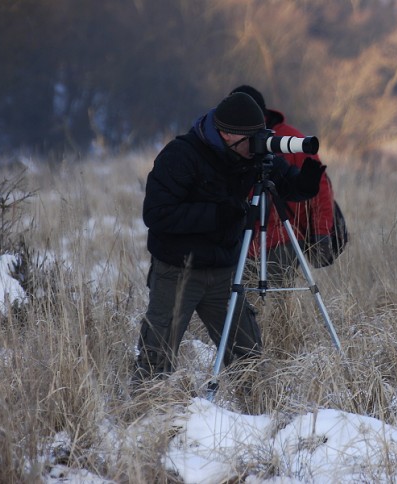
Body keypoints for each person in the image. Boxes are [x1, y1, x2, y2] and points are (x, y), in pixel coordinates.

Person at [134, 92, 326, 383]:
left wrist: (307, 182)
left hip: (225, 272)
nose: (256, 145)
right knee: (156, 356)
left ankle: (257, 417)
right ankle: (146, 417)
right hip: (178, 271)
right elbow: (157, 215)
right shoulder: (181, 155)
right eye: (251, 138)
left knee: (248, 356)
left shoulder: (252, 156)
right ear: (226, 134)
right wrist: (216, 214)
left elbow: (287, 185)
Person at [230, 85, 336, 280]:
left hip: (283, 238)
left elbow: (319, 190)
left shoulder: (290, 140)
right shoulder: (228, 143)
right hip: (239, 239)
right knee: (240, 299)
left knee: (275, 300)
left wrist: (321, 233)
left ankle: (281, 312)